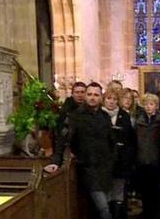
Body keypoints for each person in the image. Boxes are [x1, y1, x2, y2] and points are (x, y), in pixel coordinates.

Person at [45, 82, 116, 219]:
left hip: (105, 168)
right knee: (103, 208)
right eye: (89, 94)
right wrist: (56, 161)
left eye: (96, 95)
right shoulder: (74, 116)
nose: (92, 97)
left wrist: (113, 159)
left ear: (101, 97)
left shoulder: (105, 117)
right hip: (87, 168)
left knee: (98, 208)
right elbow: (62, 140)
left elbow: (111, 141)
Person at [102, 88, 135, 219]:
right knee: (106, 193)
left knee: (118, 192)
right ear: (104, 100)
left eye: (114, 99)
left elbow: (130, 139)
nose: (111, 102)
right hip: (104, 161)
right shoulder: (99, 115)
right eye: (109, 99)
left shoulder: (124, 115)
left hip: (121, 161)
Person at [135, 93, 160, 219]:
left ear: (156, 106)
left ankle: (155, 214)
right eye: (146, 104)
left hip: (155, 160)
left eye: (151, 104)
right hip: (141, 160)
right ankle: (146, 212)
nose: (148, 107)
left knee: (155, 191)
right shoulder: (138, 121)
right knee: (144, 190)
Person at [53, 81, 86, 163]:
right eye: (77, 92)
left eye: (82, 92)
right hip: (70, 150)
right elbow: (61, 133)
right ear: (72, 94)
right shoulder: (66, 111)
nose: (80, 95)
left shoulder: (90, 110)